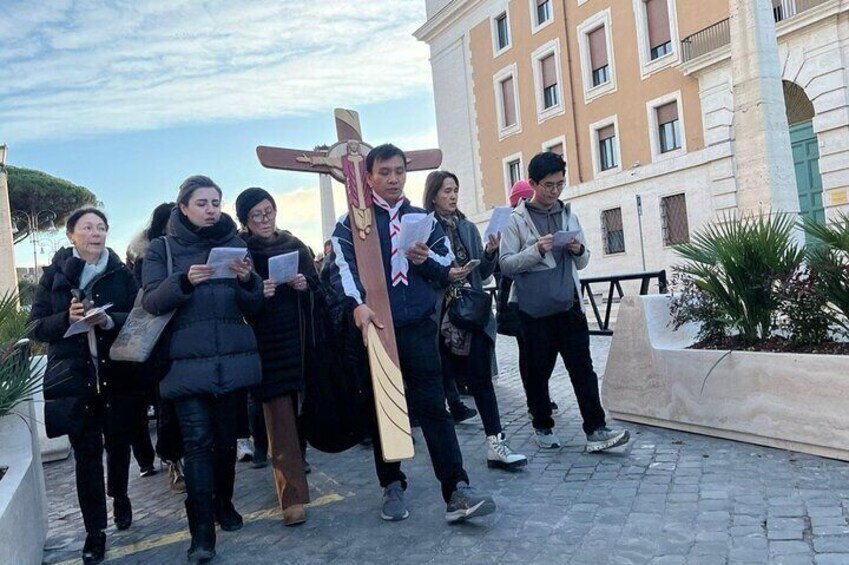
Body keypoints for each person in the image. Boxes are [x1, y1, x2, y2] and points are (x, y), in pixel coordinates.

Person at [326, 143, 496, 523]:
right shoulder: (350, 223)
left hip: (418, 326)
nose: (393, 179)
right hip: (376, 327)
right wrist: (357, 307)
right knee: (385, 411)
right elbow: (342, 271)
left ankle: (456, 489)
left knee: (434, 408)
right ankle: (392, 483)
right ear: (368, 176)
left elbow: (445, 264)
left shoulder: (422, 218)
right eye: (384, 172)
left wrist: (425, 260)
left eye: (399, 172)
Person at [142, 175, 264, 563]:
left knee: (227, 442)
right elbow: (150, 301)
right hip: (185, 366)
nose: (211, 209)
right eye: (202, 203)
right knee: (198, 446)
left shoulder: (236, 243)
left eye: (215, 202)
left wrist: (249, 281)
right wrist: (183, 280)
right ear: (183, 207)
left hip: (232, 358)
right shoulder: (161, 248)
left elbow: (254, 304)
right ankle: (201, 533)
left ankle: (224, 504)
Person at [29, 207, 142, 564]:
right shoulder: (54, 277)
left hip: (118, 375)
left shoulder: (122, 274)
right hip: (74, 380)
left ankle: (120, 495)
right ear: (71, 235)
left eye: (102, 227)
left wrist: (110, 320)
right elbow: (34, 328)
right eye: (88, 227)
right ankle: (95, 532)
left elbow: (140, 317)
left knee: (120, 443)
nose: (96, 233)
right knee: (87, 457)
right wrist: (66, 318)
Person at [500, 152, 630, 453]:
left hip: (570, 307)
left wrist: (577, 247)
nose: (555, 191)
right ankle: (542, 425)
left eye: (560, 184)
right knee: (537, 373)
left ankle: (596, 429)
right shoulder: (516, 221)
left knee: (583, 369)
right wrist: (535, 250)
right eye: (548, 185)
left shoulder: (569, 215)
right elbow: (506, 264)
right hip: (533, 312)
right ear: (532, 183)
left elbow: (583, 262)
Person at [423, 170, 527, 471]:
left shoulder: (467, 227)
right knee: (441, 382)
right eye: (446, 191)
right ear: (433, 196)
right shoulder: (424, 229)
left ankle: (496, 441)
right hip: (442, 318)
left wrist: (490, 252)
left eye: (455, 189)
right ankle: (448, 462)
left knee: (481, 380)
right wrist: (445, 274)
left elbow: (481, 274)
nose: (452, 196)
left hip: (473, 315)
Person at [235, 186, 312, 527]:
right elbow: (235, 299)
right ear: (246, 221)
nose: (265, 220)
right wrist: (257, 291)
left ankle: (297, 470)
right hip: (264, 342)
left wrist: (303, 283)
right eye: (257, 215)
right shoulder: (240, 253)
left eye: (269, 211)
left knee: (300, 416)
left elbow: (317, 284)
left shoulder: (294, 244)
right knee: (279, 420)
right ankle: (290, 498)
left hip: (297, 338)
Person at [126, 202, 186, 492]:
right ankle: (173, 461)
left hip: (186, 340)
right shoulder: (148, 258)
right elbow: (147, 300)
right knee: (168, 408)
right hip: (161, 344)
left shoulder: (192, 248)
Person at [496, 181, 559, 417]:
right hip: (517, 298)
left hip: (542, 296)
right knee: (528, 350)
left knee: (541, 349)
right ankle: (536, 397)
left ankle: (538, 394)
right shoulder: (511, 223)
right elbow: (503, 265)